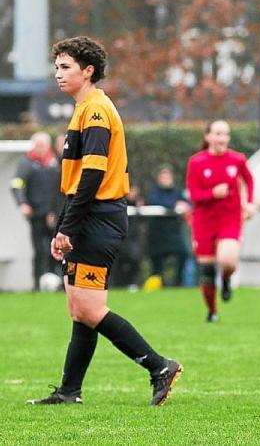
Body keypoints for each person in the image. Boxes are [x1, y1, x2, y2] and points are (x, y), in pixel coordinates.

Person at [28, 36, 181, 406]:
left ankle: (159, 365)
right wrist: (63, 224)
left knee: (90, 308)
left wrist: (68, 227)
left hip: (99, 216)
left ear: (88, 70)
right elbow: (77, 179)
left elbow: (93, 177)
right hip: (89, 215)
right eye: (57, 67)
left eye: (65, 67)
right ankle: (69, 390)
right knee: (79, 308)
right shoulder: (83, 109)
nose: (58, 74)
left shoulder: (96, 110)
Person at [186, 120, 255, 322]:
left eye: (225, 134)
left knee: (227, 261)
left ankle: (225, 280)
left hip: (230, 217)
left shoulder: (237, 159)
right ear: (207, 137)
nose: (221, 138)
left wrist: (248, 203)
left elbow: (249, 180)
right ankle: (212, 311)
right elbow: (193, 195)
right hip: (204, 220)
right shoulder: (196, 162)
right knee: (207, 270)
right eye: (217, 134)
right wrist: (213, 193)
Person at [10, 131, 61, 291]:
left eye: (43, 145)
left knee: (57, 249)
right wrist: (22, 203)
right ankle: (37, 283)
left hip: (53, 214)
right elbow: (17, 184)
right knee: (39, 249)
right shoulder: (27, 163)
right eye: (37, 145)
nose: (40, 149)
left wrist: (56, 211)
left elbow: (60, 190)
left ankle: (58, 282)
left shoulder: (55, 163)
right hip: (36, 214)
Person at [147, 165, 189, 287]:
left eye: (167, 176)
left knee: (183, 254)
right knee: (157, 263)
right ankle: (159, 284)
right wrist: (174, 205)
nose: (165, 179)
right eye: (163, 177)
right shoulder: (154, 192)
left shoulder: (177, 192)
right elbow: (155, 202)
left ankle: (178, 282)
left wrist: (183, 205)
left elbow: (185, 204)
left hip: (174, 232)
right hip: (158, 233)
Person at [110, 185, 144, 290]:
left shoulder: (138, 204)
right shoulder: (118, 201)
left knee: (134, 259)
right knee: (116, 262)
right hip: (117, 236)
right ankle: (115, 284)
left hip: (131, 238)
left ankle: (131, 282)